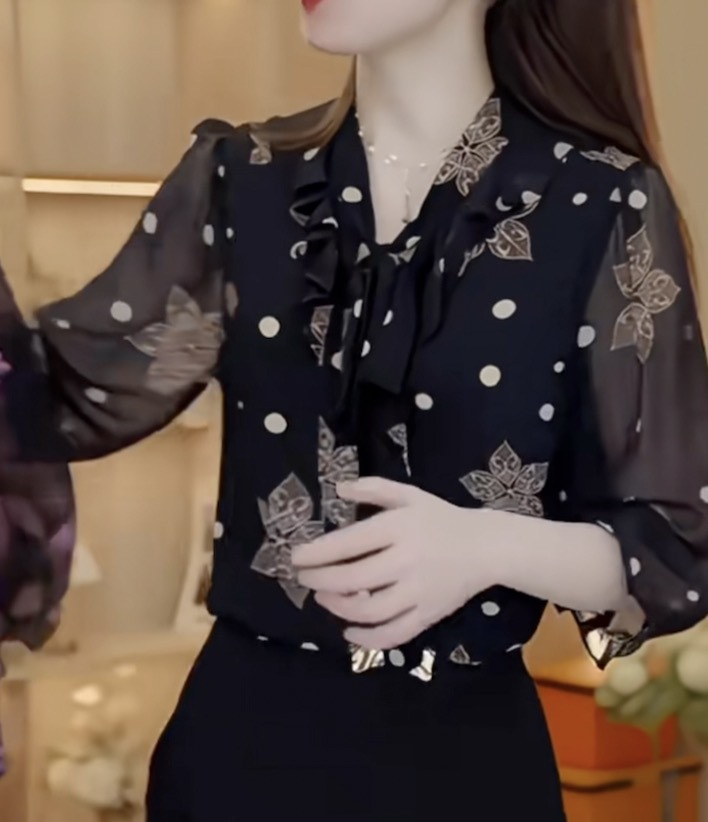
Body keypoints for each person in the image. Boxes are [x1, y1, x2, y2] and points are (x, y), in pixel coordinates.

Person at [1, 0, 707, 818]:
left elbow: (674, 542)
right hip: (236, 755)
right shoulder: (241, 178)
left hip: (464, 770)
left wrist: (488, 545)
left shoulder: (598, 202)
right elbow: (56, 392)